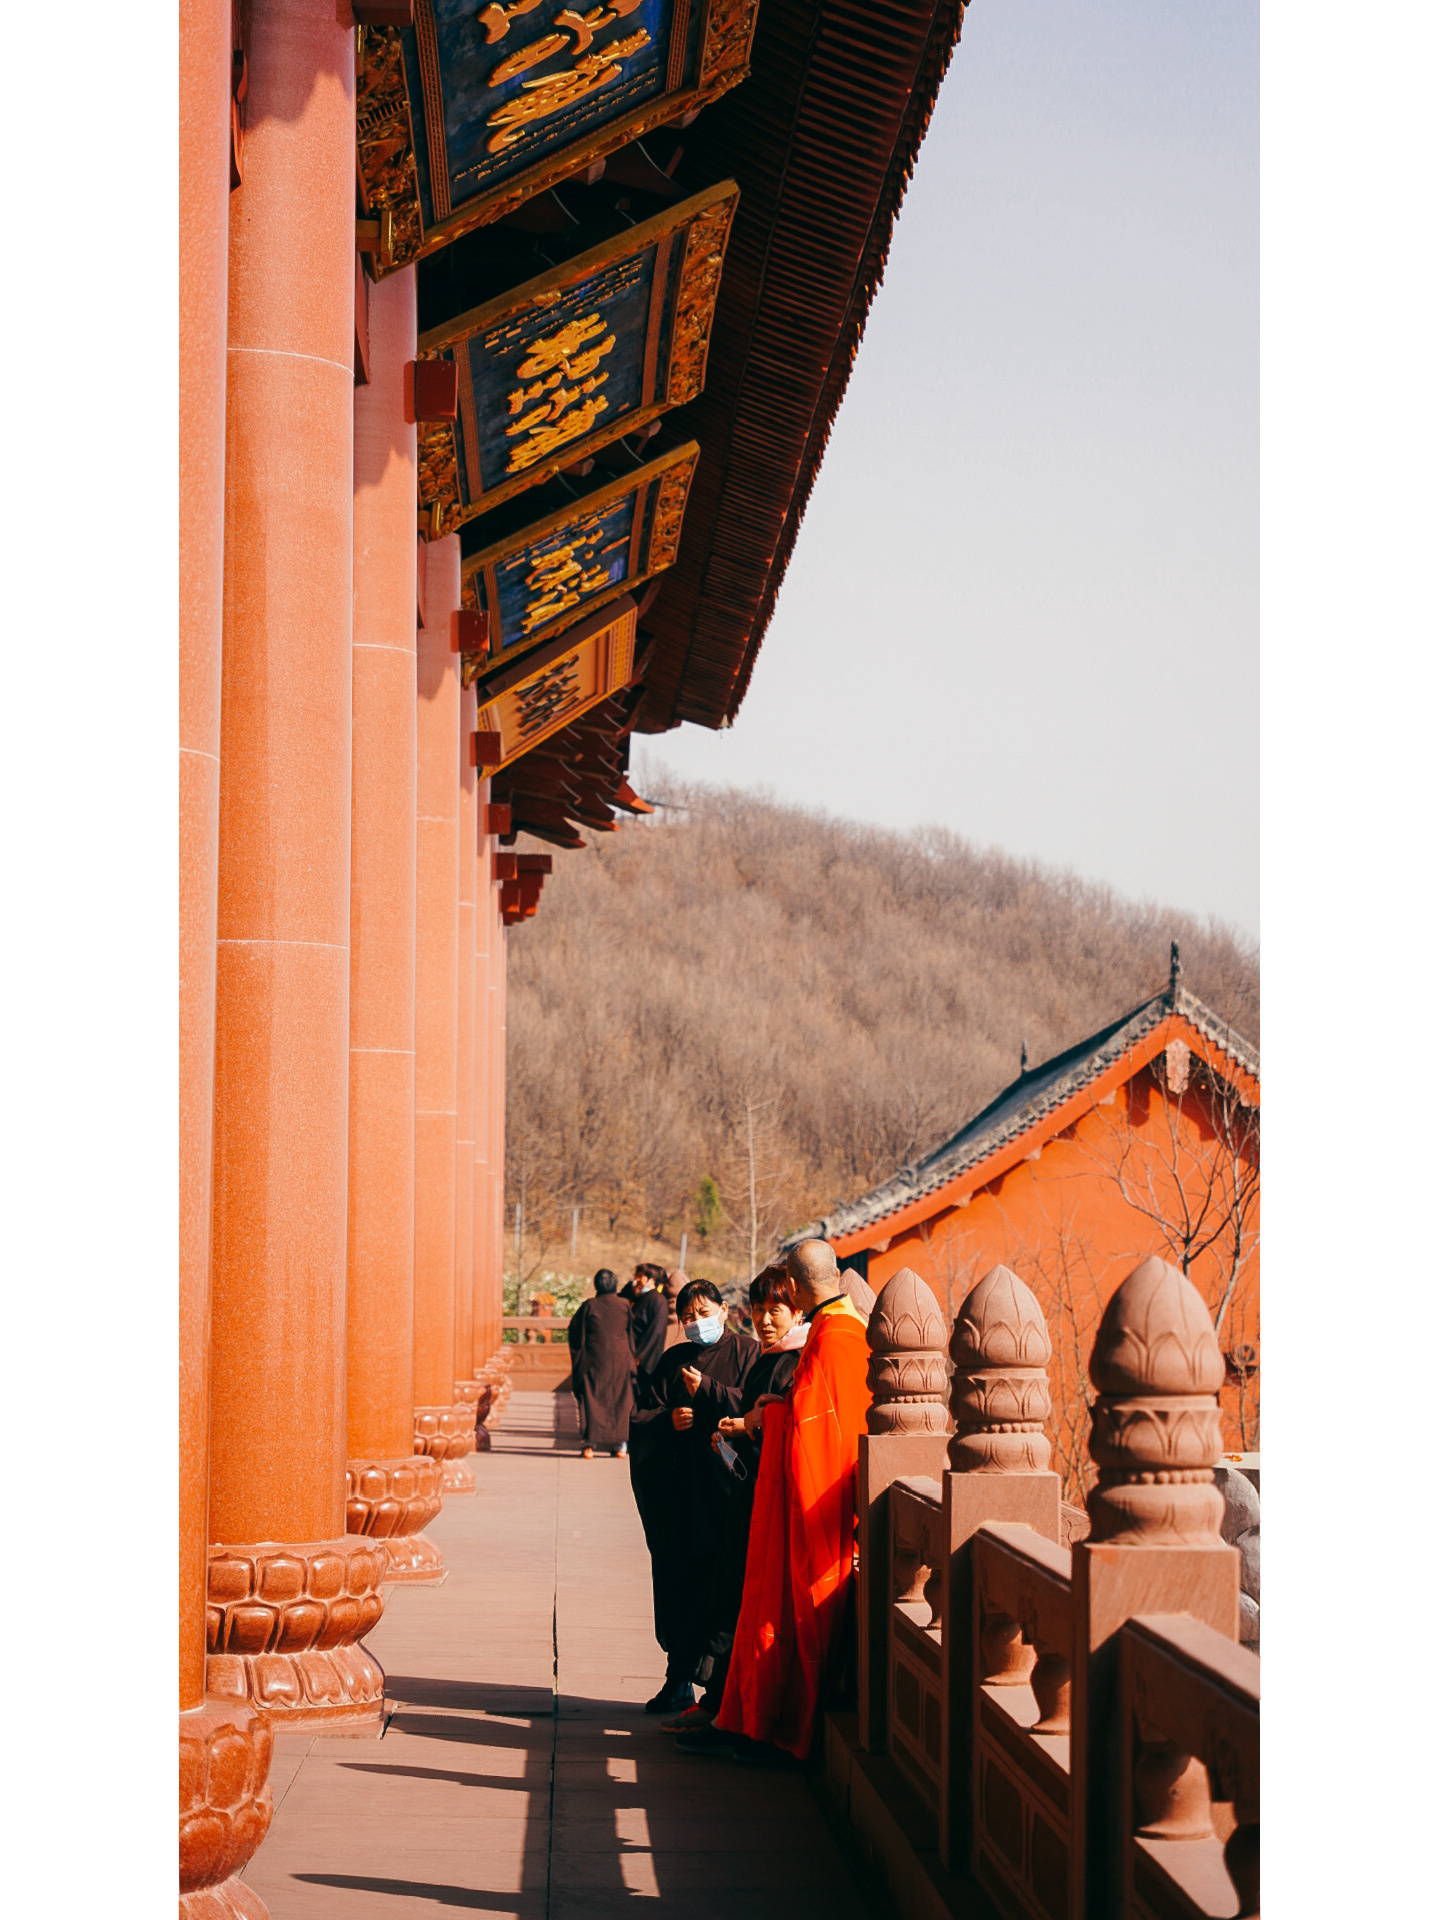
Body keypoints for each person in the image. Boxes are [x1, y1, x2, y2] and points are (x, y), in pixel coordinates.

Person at [680, 1238, 872, 1761]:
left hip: (812, 1506)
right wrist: (771, 1411)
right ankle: (741, 1713)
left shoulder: (836, 1337)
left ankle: (774, 1727)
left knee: (780, 1617)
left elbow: (818, 1430)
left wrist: (765, 1418)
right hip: (781, 1495)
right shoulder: (834, 1329)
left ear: (796, 1284)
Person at [660, 1266, 809, 1736]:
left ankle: (720, 1699)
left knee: (734, 1600)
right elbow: (645, 1407)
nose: (766, 1320)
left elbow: (781, 1418)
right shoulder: (685, 1357)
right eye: (760, 1310)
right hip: (697, 1490)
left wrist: (736, 1420)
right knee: (698, 1587)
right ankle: (692, 1686)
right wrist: (671, 1420)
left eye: (775, 1310)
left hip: (743, 1494)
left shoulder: (772, 1355)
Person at [628, 1277, 758, 1715]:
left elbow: (754, 1408)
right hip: (682, 1494)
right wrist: (670, 1422)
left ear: (725, 1310)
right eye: (688, 1317)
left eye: (704, 1313)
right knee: (679, 1581)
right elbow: (643, 1415)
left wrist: (708, 1392)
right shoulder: (674, 1359)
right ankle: (678, 1679)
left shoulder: (748, 1354)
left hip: (727, 1493)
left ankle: (720, 1688)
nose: (697, 1323)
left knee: (721, 1585)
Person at [566, 1269, 634, 1460]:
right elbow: (631, 1333)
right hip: (621, 1359)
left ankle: (590, 1445)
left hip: (595, 1359)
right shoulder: (624, 1305)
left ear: (596, 1285)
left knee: (592, 1399)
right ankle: (620, 1446)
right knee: (621, 1401)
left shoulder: (590, 1305)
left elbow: (576, 1331)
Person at [627, 1264, 668, 1380]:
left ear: (652, 1280)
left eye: (641, 1277)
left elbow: (656, 1331)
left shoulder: (658, 1300)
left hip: (645, 1362)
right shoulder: (641, 1298)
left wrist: (639, 1356)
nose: (637, 1280)